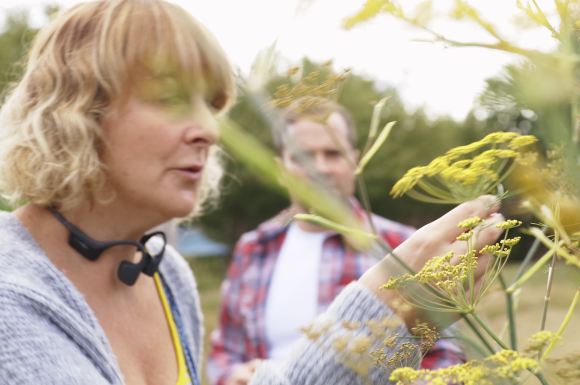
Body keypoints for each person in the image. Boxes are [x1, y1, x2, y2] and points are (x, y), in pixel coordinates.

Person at [0, 1, 504, 385]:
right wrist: (383, 312)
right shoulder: (11, 300)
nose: (210, 131)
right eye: (171, 98)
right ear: (76, 108)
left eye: (212, 105)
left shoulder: (164, 272)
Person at [206, 99, 467, 385]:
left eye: (333, 154)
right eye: (303, 156)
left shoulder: (403, 245)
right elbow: (224, 351)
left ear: (354, 160)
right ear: (281, 168)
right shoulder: (253, 248)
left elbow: (446, 356)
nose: (321, 167)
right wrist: (233, 376)